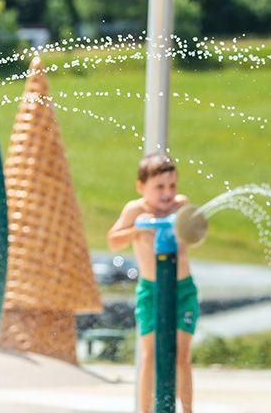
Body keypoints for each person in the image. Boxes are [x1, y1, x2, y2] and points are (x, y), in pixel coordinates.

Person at [107, 152, 199, 413]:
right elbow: (113, 241)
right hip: (151, 291)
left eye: (172, 186)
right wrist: (137, 230)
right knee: (151, 355)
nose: (167, 193)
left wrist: (181, 234)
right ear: (141, 187)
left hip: (181, 290)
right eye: (159, 187)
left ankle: (187, 410)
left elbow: (193, 235)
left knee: (182, 356)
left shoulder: (180, 207)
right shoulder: (136, 211)